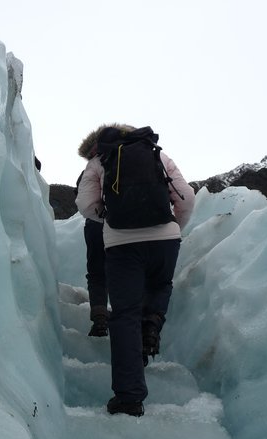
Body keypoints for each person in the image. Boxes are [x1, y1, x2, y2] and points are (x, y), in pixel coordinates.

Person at [76, 124, 195, 416]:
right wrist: (173, 227)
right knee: (160, 285)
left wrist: (110, 218)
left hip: (121, 244)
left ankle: (129, 398)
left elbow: (85, 204)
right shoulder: (155, 153)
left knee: (125, 316)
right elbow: (186, 197)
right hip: (164, 239)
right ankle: (152, 320)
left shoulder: (98, 161)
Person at [75, 171, 109, 337]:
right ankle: (127, 321)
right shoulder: (129, 159)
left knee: (96, 273)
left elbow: (80, 194)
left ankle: (100, 318)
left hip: (95, 224)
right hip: (125, 227)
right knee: (125, 273)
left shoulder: (93, 166)